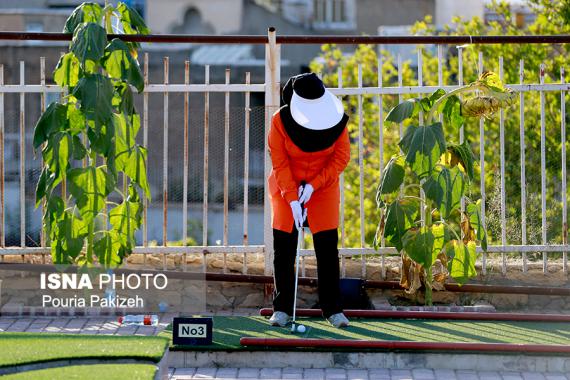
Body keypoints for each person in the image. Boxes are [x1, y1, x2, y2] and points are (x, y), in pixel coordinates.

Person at [267, 72, 351, 328]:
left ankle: (333, 310)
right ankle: (282, 309)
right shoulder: (279, 121)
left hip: (323, 188)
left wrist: (314, 186)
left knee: (327, 249)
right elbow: (280, 164)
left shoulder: (336, 120)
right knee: (284, 249)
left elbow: (341, 156)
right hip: (286, 187)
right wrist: (293, 199)